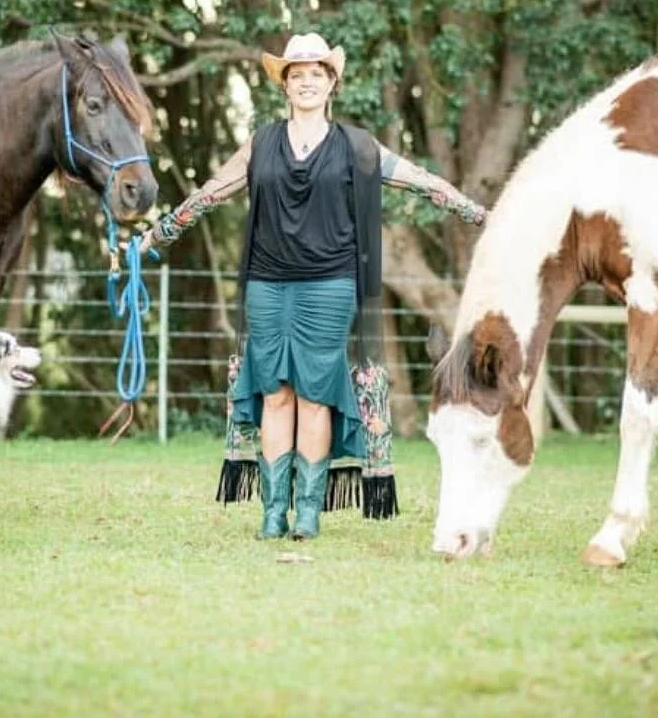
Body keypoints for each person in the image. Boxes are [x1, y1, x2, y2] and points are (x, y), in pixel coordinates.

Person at [144, 32, 488, 540]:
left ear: (332, 84)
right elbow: (209, 193)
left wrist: (479, 213)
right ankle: (271, 511)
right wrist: (156, 235)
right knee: (275, 393)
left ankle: (306, 511)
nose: (306, 82)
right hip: (266, 284)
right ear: (285, 86)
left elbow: (420, 178)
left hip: (329, 287)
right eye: (296, 75)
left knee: (314, 396)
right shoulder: (260, 144)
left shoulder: (356, 146)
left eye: (316, 75)